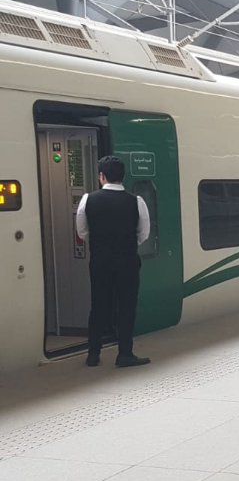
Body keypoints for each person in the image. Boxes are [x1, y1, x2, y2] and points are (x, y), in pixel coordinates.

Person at [76, 155, 151, 368]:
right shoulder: (136, 201)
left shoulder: (87, 200)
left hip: (100, 262)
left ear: (101, 176)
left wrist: (101, 243)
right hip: (127, 262)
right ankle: (125, 354)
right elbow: (143, 233)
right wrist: (125, 244)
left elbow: (82, 232)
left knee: (98, 306)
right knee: (127, 306)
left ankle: (93, 354)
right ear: (123, 176)